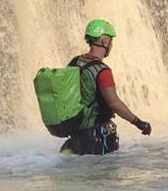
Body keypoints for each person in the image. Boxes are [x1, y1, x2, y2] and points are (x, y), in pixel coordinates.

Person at [60, 19, 152, 155]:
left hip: (76, 135)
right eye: (110, 41)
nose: (111, 45)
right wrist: (138, 122)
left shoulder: (75, 62)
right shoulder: (103, 71)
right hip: (96, 137)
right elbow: (114, 103)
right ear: (104, 41)